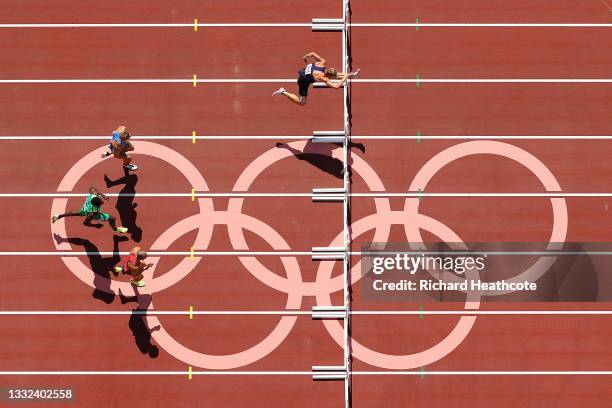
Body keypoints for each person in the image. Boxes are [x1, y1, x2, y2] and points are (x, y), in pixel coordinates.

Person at [272, 52, 359, 105]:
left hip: (304, 71)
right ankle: (283, 92)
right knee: (301, 102)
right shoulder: (321, 77)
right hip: (302, 81)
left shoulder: (322, 63)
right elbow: (336, 86)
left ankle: (352, 75)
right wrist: (344, 78)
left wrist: (305, 57)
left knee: (335, 75)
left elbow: (313, 53)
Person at [51, 187, 128, 233]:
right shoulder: (93, 213)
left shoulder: (93, 196)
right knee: (112, 218)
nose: (103, 202)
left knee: (77, 213)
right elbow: (85, 223)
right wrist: (95, 225)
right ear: (97, 205)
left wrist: (103, 195)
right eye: (101, 203)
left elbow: (92, 189)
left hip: (85, 208)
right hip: (93, 213)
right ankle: (115, 229)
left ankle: (58, 216)